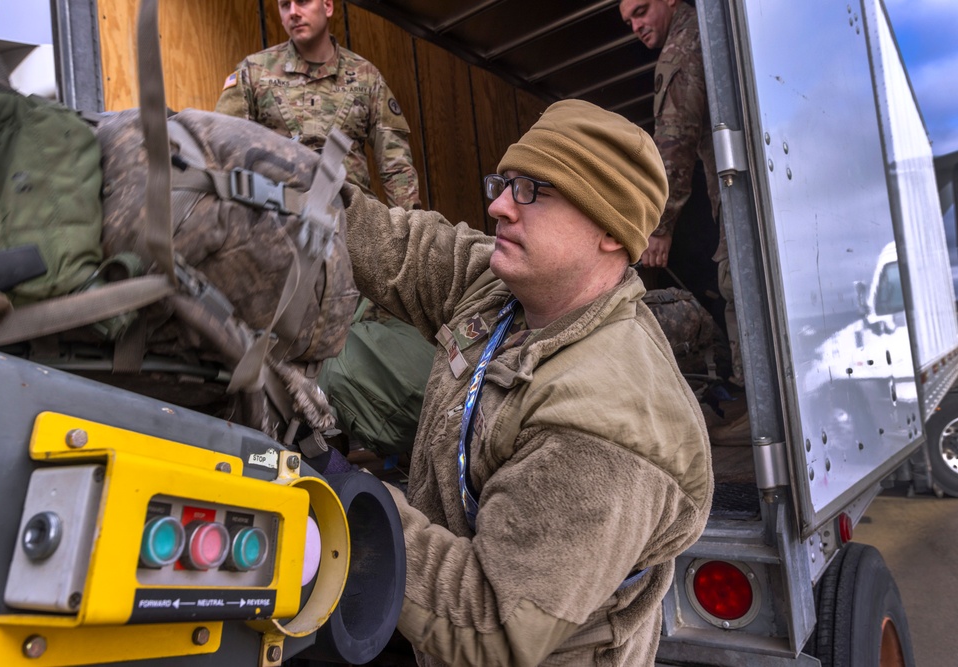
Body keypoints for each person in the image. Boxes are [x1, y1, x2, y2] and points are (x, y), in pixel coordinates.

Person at [337, 99, 712, 665]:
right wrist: (293, 189)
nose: (498, 207)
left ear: (610, 230)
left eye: (533, 191)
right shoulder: (510, 291)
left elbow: (490, 626)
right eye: (505, 183)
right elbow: (402, 250)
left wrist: (342, 501)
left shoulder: (608, 426)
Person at [619, 0, 744, 387]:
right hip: (737, 190)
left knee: (738, 284)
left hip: (740, 194)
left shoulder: (682, 46)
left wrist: (659, 226)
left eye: (641, 11)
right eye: (629, 21)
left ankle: (757, 402)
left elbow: (674, 142)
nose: (636, 26)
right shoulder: (702, 34)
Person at [215, 0, 420, 209]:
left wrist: (410, 231)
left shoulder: (367, 77)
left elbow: (396, 166)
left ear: (328, 6)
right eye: (285, 5)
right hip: (278, 217)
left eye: (303, 2)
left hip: (354, 219)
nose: (293, 12)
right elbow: (224, 151)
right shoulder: (253, 72)